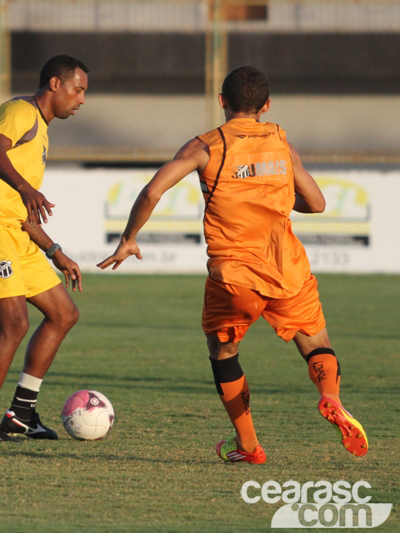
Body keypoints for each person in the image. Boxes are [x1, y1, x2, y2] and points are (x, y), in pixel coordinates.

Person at [98, 66, 368, 463]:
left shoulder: (205, 147)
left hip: (235, 275)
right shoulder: (281, 141)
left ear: (222, 101)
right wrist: (269, 194)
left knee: (223, 352)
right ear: (267, 105)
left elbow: (153, 190)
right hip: (287, 268)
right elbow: (317, 203)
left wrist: (128, 239)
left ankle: (249, 446)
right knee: (316, 342)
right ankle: (330, 397)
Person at [0, 55, 87, 442]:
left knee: (63, 313)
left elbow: (23, 211)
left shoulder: (41, 130)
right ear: (55, 85)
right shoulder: (19, 110)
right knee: (14, 323)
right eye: (78, 89)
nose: (82, 99)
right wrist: (26, 187)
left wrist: (54, 250)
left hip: (12, 229)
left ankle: (20, 414)